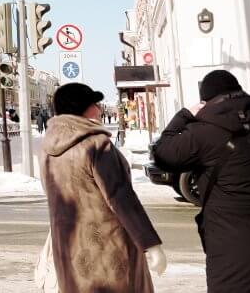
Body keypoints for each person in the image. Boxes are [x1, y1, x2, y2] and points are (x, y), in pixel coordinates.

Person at [151, 70, 250, 293]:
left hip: (232, 254)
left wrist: (184, 114)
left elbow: (162, 154)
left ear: (206, 101)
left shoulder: (201, 133)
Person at [42, 82, 165, 293]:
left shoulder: (47, 150)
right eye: (94, 104)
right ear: (82, 108)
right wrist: (150, 243)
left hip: (69, 250)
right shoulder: (97, 145)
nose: (99, 109)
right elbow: (121, 197)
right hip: (108, 253)